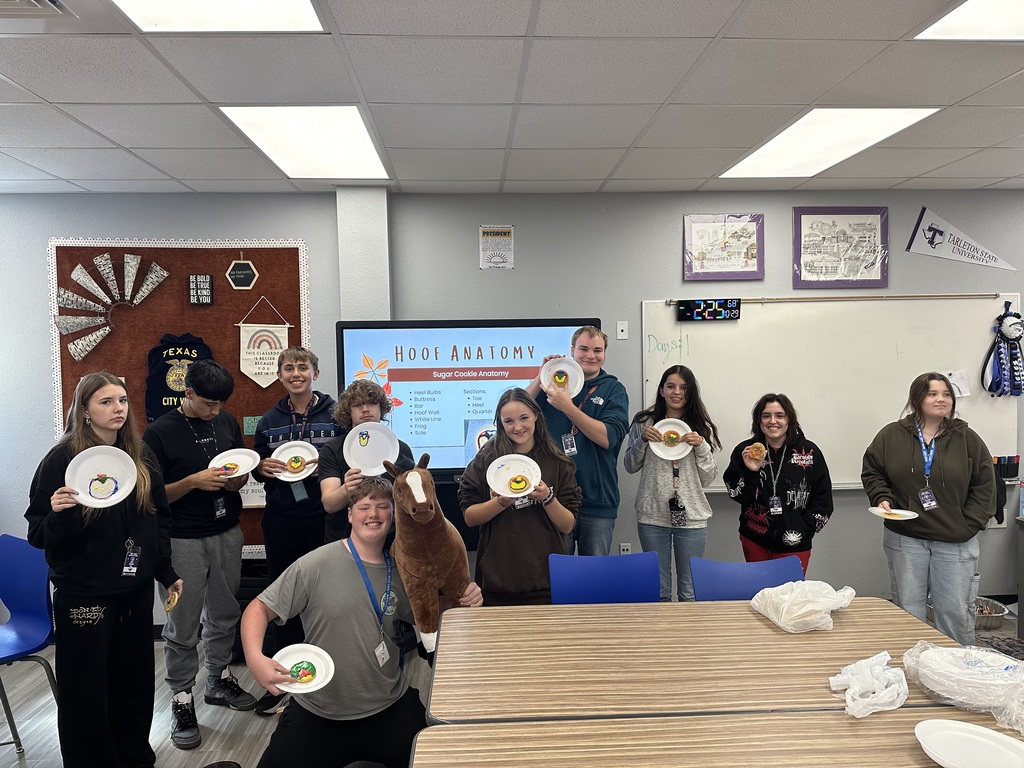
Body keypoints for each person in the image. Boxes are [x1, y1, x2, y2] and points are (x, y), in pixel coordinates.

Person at [241, 476, 483, 768]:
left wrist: (464, 598)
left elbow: (429, 614)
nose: (374, 514)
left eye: (383, 507)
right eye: (365, 506)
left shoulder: (402, 571)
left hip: (388, 705)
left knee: (442, 761)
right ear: (350, 514)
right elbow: (258, 608)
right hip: (318, 712)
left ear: (393, 515)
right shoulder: (315, 564)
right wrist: (256, 659)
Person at [25, 372, 182, 768]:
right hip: (84, 592)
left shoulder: (140, 456)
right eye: (106, 402)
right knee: (86, 690)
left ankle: (133, 756)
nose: (118, 409)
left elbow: (157, 520)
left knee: (133, 682)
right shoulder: (62, 460)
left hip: (134, 590)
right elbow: (38, 534)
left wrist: (165, 571)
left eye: (123, 401)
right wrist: (61, 514)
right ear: (84, 410)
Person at [142, 360, 256, 749]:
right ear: (186, 393)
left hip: (227, 531)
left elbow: (240, 468)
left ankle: (218, 679)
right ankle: (181, 698)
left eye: (221, 404)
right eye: (209, 404)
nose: (216, 412)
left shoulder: (226, 423)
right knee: (183, 624)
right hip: (181, 539)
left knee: (225, 613)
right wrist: (193, 482)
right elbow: (152, 496)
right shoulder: (157, 433)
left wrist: (239, 478)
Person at [862, 372, 996, 646]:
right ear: (916, 398)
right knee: (908, 609)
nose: (941, 399)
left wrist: (968, 525)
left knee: (954, 612)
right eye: (933, 393)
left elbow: (985, 486)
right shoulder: (891, 435)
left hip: (956, 541)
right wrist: (881, 497)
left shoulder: (968, 438)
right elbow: (873, 471)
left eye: (946, 394)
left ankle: (955, 673)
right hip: (905, 536)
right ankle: (912, 668)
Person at [252, 346, 342, 714]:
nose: (295, 373)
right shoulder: (268, 419)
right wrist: (262, 468)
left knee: (328, 597)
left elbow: (348, 454)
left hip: (324, 517)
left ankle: (331, 675)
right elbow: (257, 465)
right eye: (288, 368)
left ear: (314, 373)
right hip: (282, 519)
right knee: (282, 599)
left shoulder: (336, 414)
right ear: (280, 375)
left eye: (302, 367)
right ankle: (284, 681)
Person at [459, 388, 581, 605]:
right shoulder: (487, 460)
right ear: (501, 423)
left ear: (536, 415)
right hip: (498, 580)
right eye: (509, 421)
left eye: (524, 418)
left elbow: (567, 525)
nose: (518, 427)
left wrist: (547, 498)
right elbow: (470, 517)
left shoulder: (558, 462)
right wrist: (500, 502)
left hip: (547, 580)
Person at [527, 325, 628, 556]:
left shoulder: (614, 389)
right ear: (572, 350)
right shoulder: (553, 384)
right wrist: (542, 374)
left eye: (597, 350)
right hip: (555, 499)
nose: (590, 355)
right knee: (558, 578)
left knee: (594, 581)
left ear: (604, 354)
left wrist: (568, 408)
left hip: (597, 502)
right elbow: (516, 408)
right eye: (583, 349)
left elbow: (607, 438)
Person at [623, 365, 720, 601]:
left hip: (692, 517)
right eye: (671, 386)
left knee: (689, 592)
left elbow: (708, 478)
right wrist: (642, 441)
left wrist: (701, 446)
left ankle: (685, 638)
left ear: (691, 393)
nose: (677, 392)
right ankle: (661, 638)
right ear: (661, 390)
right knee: (658, 591)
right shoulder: (644, 422)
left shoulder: (699, 426)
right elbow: (630, 465)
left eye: (683, 388)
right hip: (652, 515)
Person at [723, 393, 833, 574]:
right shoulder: (746, 451)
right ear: (758, 420)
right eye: (766, 416)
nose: (772, 421)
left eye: (779, 416)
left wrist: (804, 529)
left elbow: (823, 498)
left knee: (789, 596)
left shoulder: (809, 452)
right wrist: (751, 471)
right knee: (758, 593)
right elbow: (737, 495)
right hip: (755, 538)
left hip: (796, 542)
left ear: (790, 419)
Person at [320, 379, 414, 545]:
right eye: (357, 405)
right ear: (348, 411)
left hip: (393, 541)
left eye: (371, 403)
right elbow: (329, 504)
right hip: (344, 539)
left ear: (381, 408)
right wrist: (345, 489)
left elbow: (411, 500)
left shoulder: (400, 449)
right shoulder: (332, 449)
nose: (365, 409)